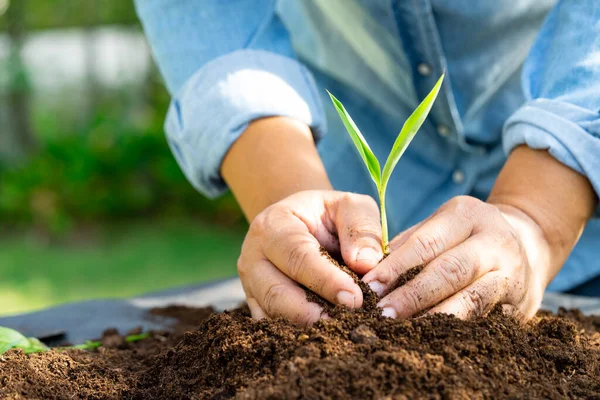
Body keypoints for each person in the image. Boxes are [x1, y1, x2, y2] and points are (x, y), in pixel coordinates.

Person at [135, 0, 599, 326]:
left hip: (580, 213)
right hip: (334, 185)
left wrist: (535, 222)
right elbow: (211, 16)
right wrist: (300, 225)